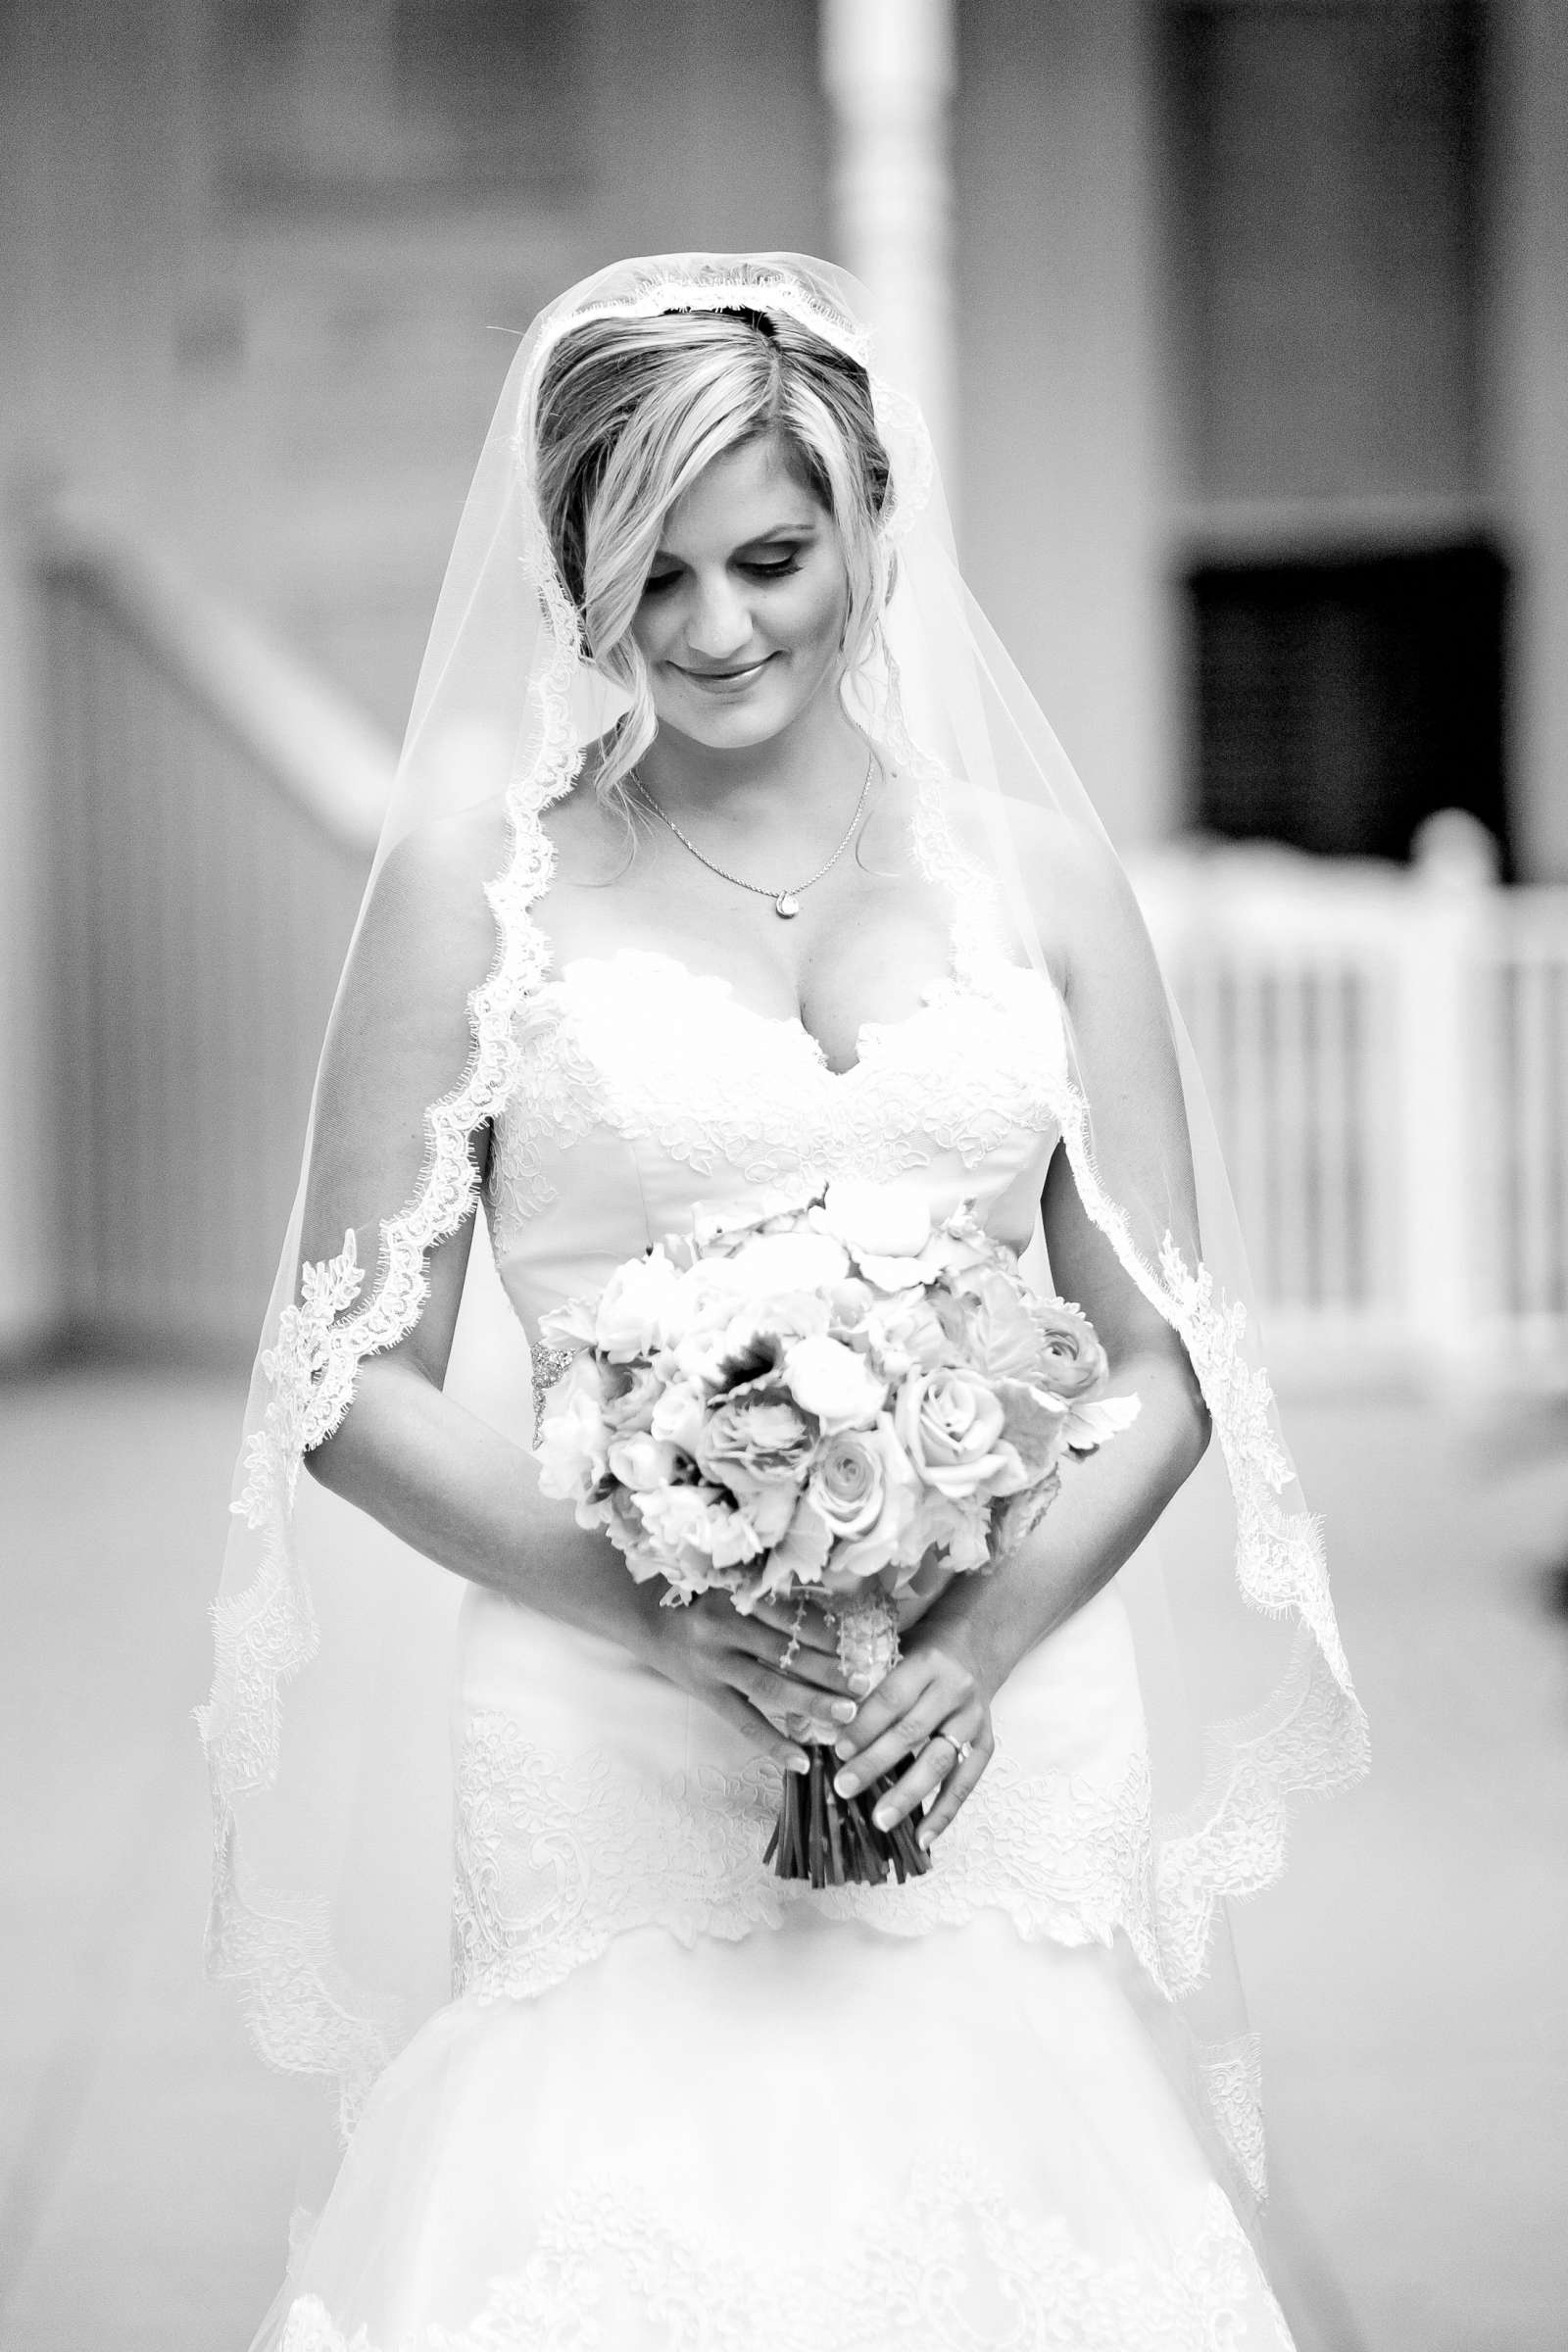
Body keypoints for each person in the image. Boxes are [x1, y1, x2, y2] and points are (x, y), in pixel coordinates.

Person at [203, 255, 1368, 2350]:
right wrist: (663, 1608)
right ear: (572, 582)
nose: (719, 630)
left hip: (985, 1729)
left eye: (768, 555)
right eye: (652, 579)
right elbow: (341, 1382)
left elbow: (1163, 1358)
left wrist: (967, 1654)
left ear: (867, 531)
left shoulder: (1037, 879)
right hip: (606, 1706)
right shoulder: (484, 898)